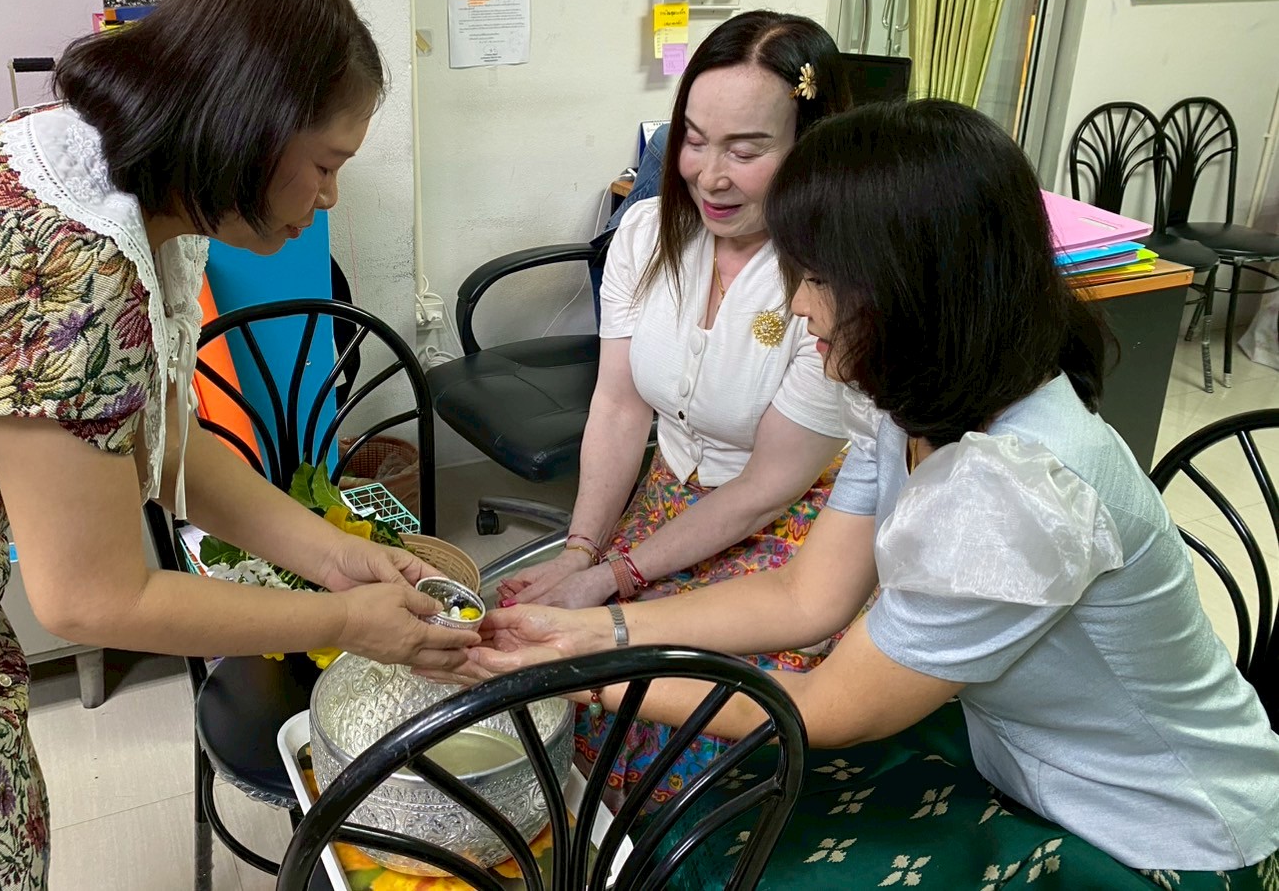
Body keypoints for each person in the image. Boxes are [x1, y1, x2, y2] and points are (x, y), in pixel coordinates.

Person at [0, 0, 476, 890]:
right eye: (326, 163)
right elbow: (91, 598)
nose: (329, 196)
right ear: (246, 128)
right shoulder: (61, 266)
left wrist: (334, 555)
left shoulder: (115, 174)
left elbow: (162, 444)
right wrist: (343, 619)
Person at [459, 100, 1279, 885]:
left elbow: (825, 707)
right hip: (1019, 759)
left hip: (1153, 833)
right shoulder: (907, 400)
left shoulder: (1012, 490)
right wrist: (594, 631)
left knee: (709, 845)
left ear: (912, 290)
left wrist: (582, 673)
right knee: (699, 822)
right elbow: (805, 595)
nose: (798, 307)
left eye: (816, 278)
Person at [496, 11, 855, 809]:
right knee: (556, 668)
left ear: (811, 145)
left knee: (667, 714)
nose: (709, 176)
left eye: (746, 151)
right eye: (693, 140)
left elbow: (765, 486)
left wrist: (615, 575)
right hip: (672, 499)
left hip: (792, 523)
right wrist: (581, 551)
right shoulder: (647, 233)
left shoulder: (832, 279)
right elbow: (620, 404)